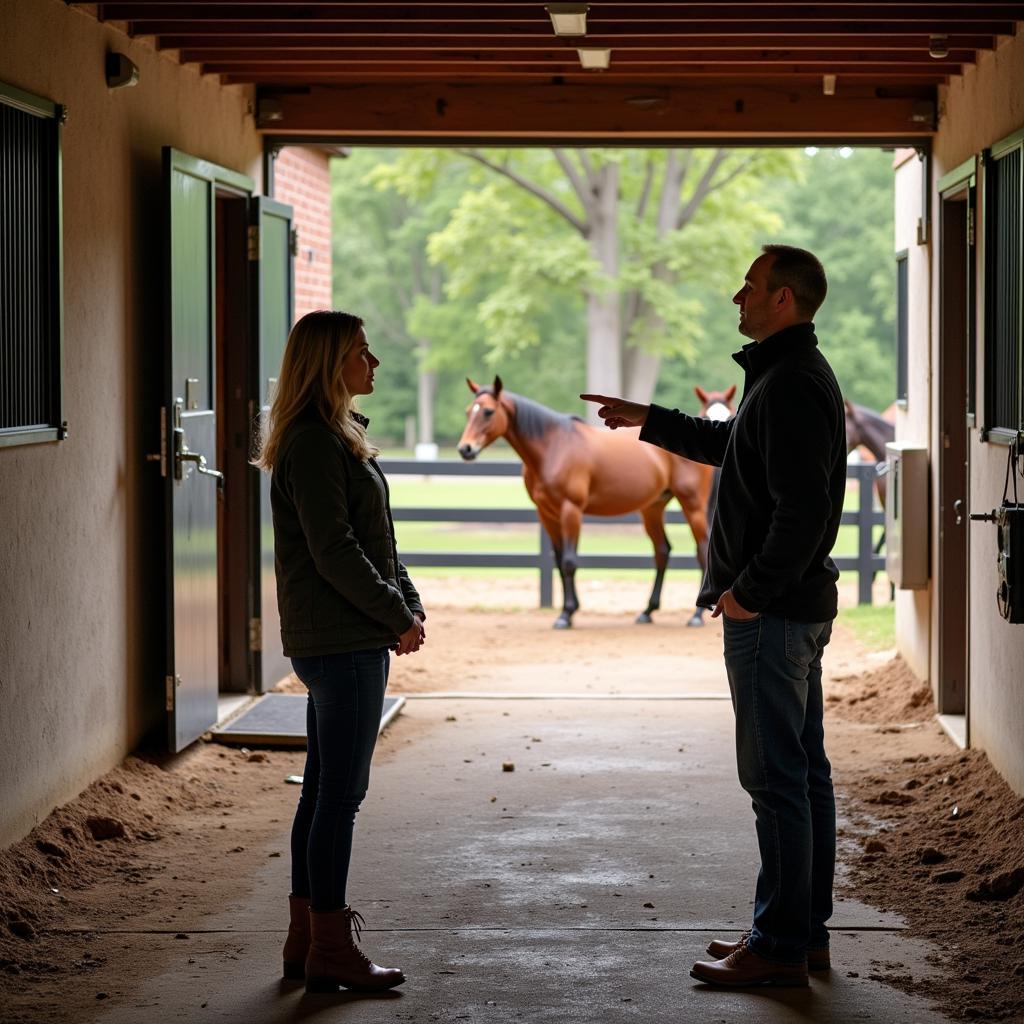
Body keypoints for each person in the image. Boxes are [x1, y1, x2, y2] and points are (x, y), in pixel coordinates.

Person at [582, 244, 846, 989]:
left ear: (784, 299)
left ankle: (780, 944)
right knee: (802, 776)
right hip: (790, 610)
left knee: (775, 781)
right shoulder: (784, 376)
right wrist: (652, 420)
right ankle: (801, 933)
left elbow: (800, 513)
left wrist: (747, 593)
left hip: (773, 616)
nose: (738, 296)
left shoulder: (790, 382)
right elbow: (736, 445)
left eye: (751, 286)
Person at [255, 310, 425, 993]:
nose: (374, 361)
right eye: (361, 351)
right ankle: (330, 944)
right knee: (340, 797)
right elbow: (336, 552)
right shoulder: (315, 445)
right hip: (344, 639)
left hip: (346, 634)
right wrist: (393, 614)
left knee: (324, 792)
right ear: (330, 364)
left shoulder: (334, 435)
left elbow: (376, 538)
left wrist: (406, 601)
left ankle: (306, 940)